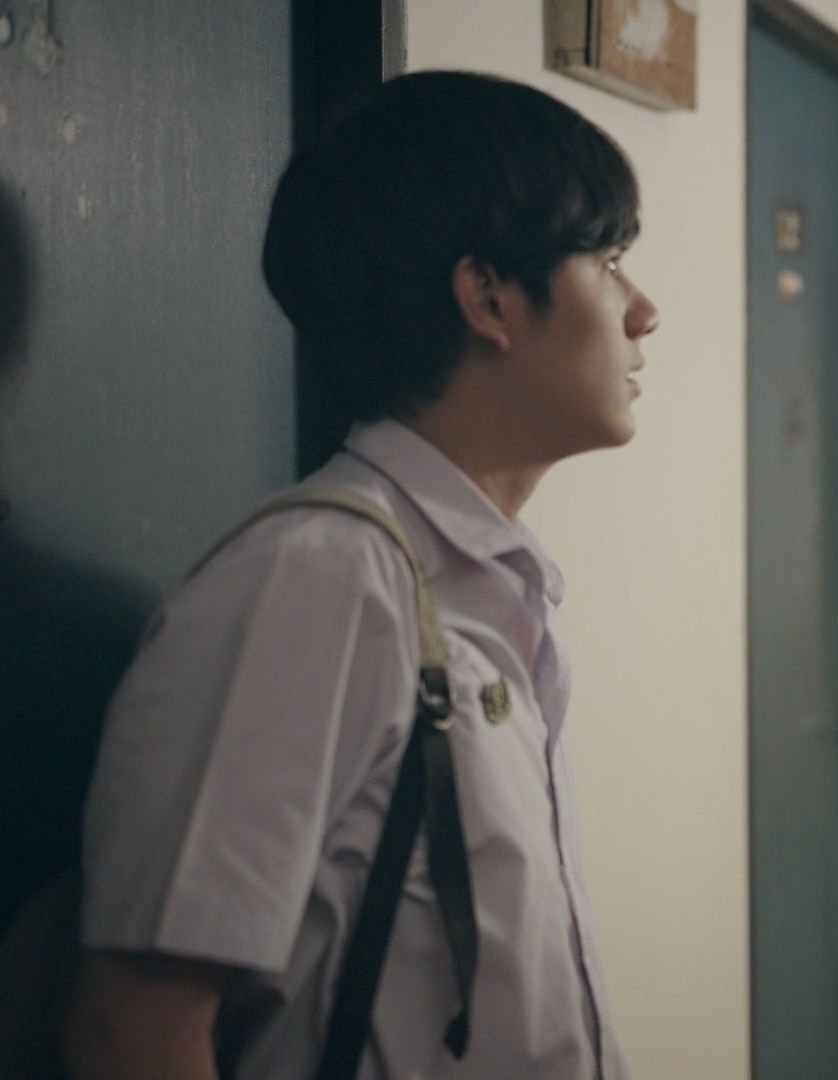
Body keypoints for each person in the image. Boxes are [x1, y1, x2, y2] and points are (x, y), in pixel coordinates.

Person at [66, 70, 658, 1078]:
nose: (644, 311)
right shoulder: (317, 581)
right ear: (488, 298)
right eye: (609, 262)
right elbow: (134, 1028)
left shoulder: (479, 586)